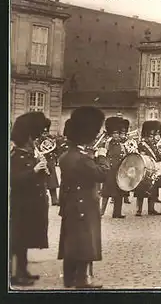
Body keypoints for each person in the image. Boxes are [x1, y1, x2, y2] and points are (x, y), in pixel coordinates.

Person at [57, 106, 109, 289]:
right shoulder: (82, 158)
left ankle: (69, 279)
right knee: (86, 243)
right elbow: (102, 174)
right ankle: (84, 279)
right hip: (84, 206)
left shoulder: (67, 155)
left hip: (72, 205)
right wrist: (102, 156)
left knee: (72, 242)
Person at [10, 112, 51, 287]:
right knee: (18, 239)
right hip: (21, 204)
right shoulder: (17, 155)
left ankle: (23, 270)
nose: (34, 141)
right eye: (32, 137)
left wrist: (42, 171)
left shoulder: (28, 153)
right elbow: (15, 179)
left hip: (32, 203)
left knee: (25, 239)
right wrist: (34, 171)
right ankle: (15, 274)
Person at [134, 121, 161, 216]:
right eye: (151, 136)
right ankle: (139, 210)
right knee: (140, 192)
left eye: (153, 136)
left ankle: (151, 209)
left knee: (153, 190)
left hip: (153, 170)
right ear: (146, 135)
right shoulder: (141, 145)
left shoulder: (154, 145)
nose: (153, 138)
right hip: (143, 169)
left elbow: (158, 157)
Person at [100, 117, 127, 218]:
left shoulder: (121, 145)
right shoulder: (107, 144)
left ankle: (117, 213)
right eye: (115, 133)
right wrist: (105, 167)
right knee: (106, 193)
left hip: (119, 171)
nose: (117, 135)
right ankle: (101, 211)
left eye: (118, 133)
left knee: (119, 193)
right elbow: (102, 156)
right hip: (109, 170)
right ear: (111, 134)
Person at [37, 118, 60, 206]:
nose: (45, 132)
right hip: (41, 160)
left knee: (52, 180)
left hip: (50, 160)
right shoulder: (37, 139)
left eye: (46, 130)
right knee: (40, 180)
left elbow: (56, 149)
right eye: (44, 131)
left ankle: (54, 199)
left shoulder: (50, 138)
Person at [120, 119, 132, 204]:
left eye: (124, 134)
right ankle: (115, 197)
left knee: (126, 180)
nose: (123, 136)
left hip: (126, 162)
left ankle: (126, 197)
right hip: (119, 163)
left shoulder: (128, 142)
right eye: (122, 134)